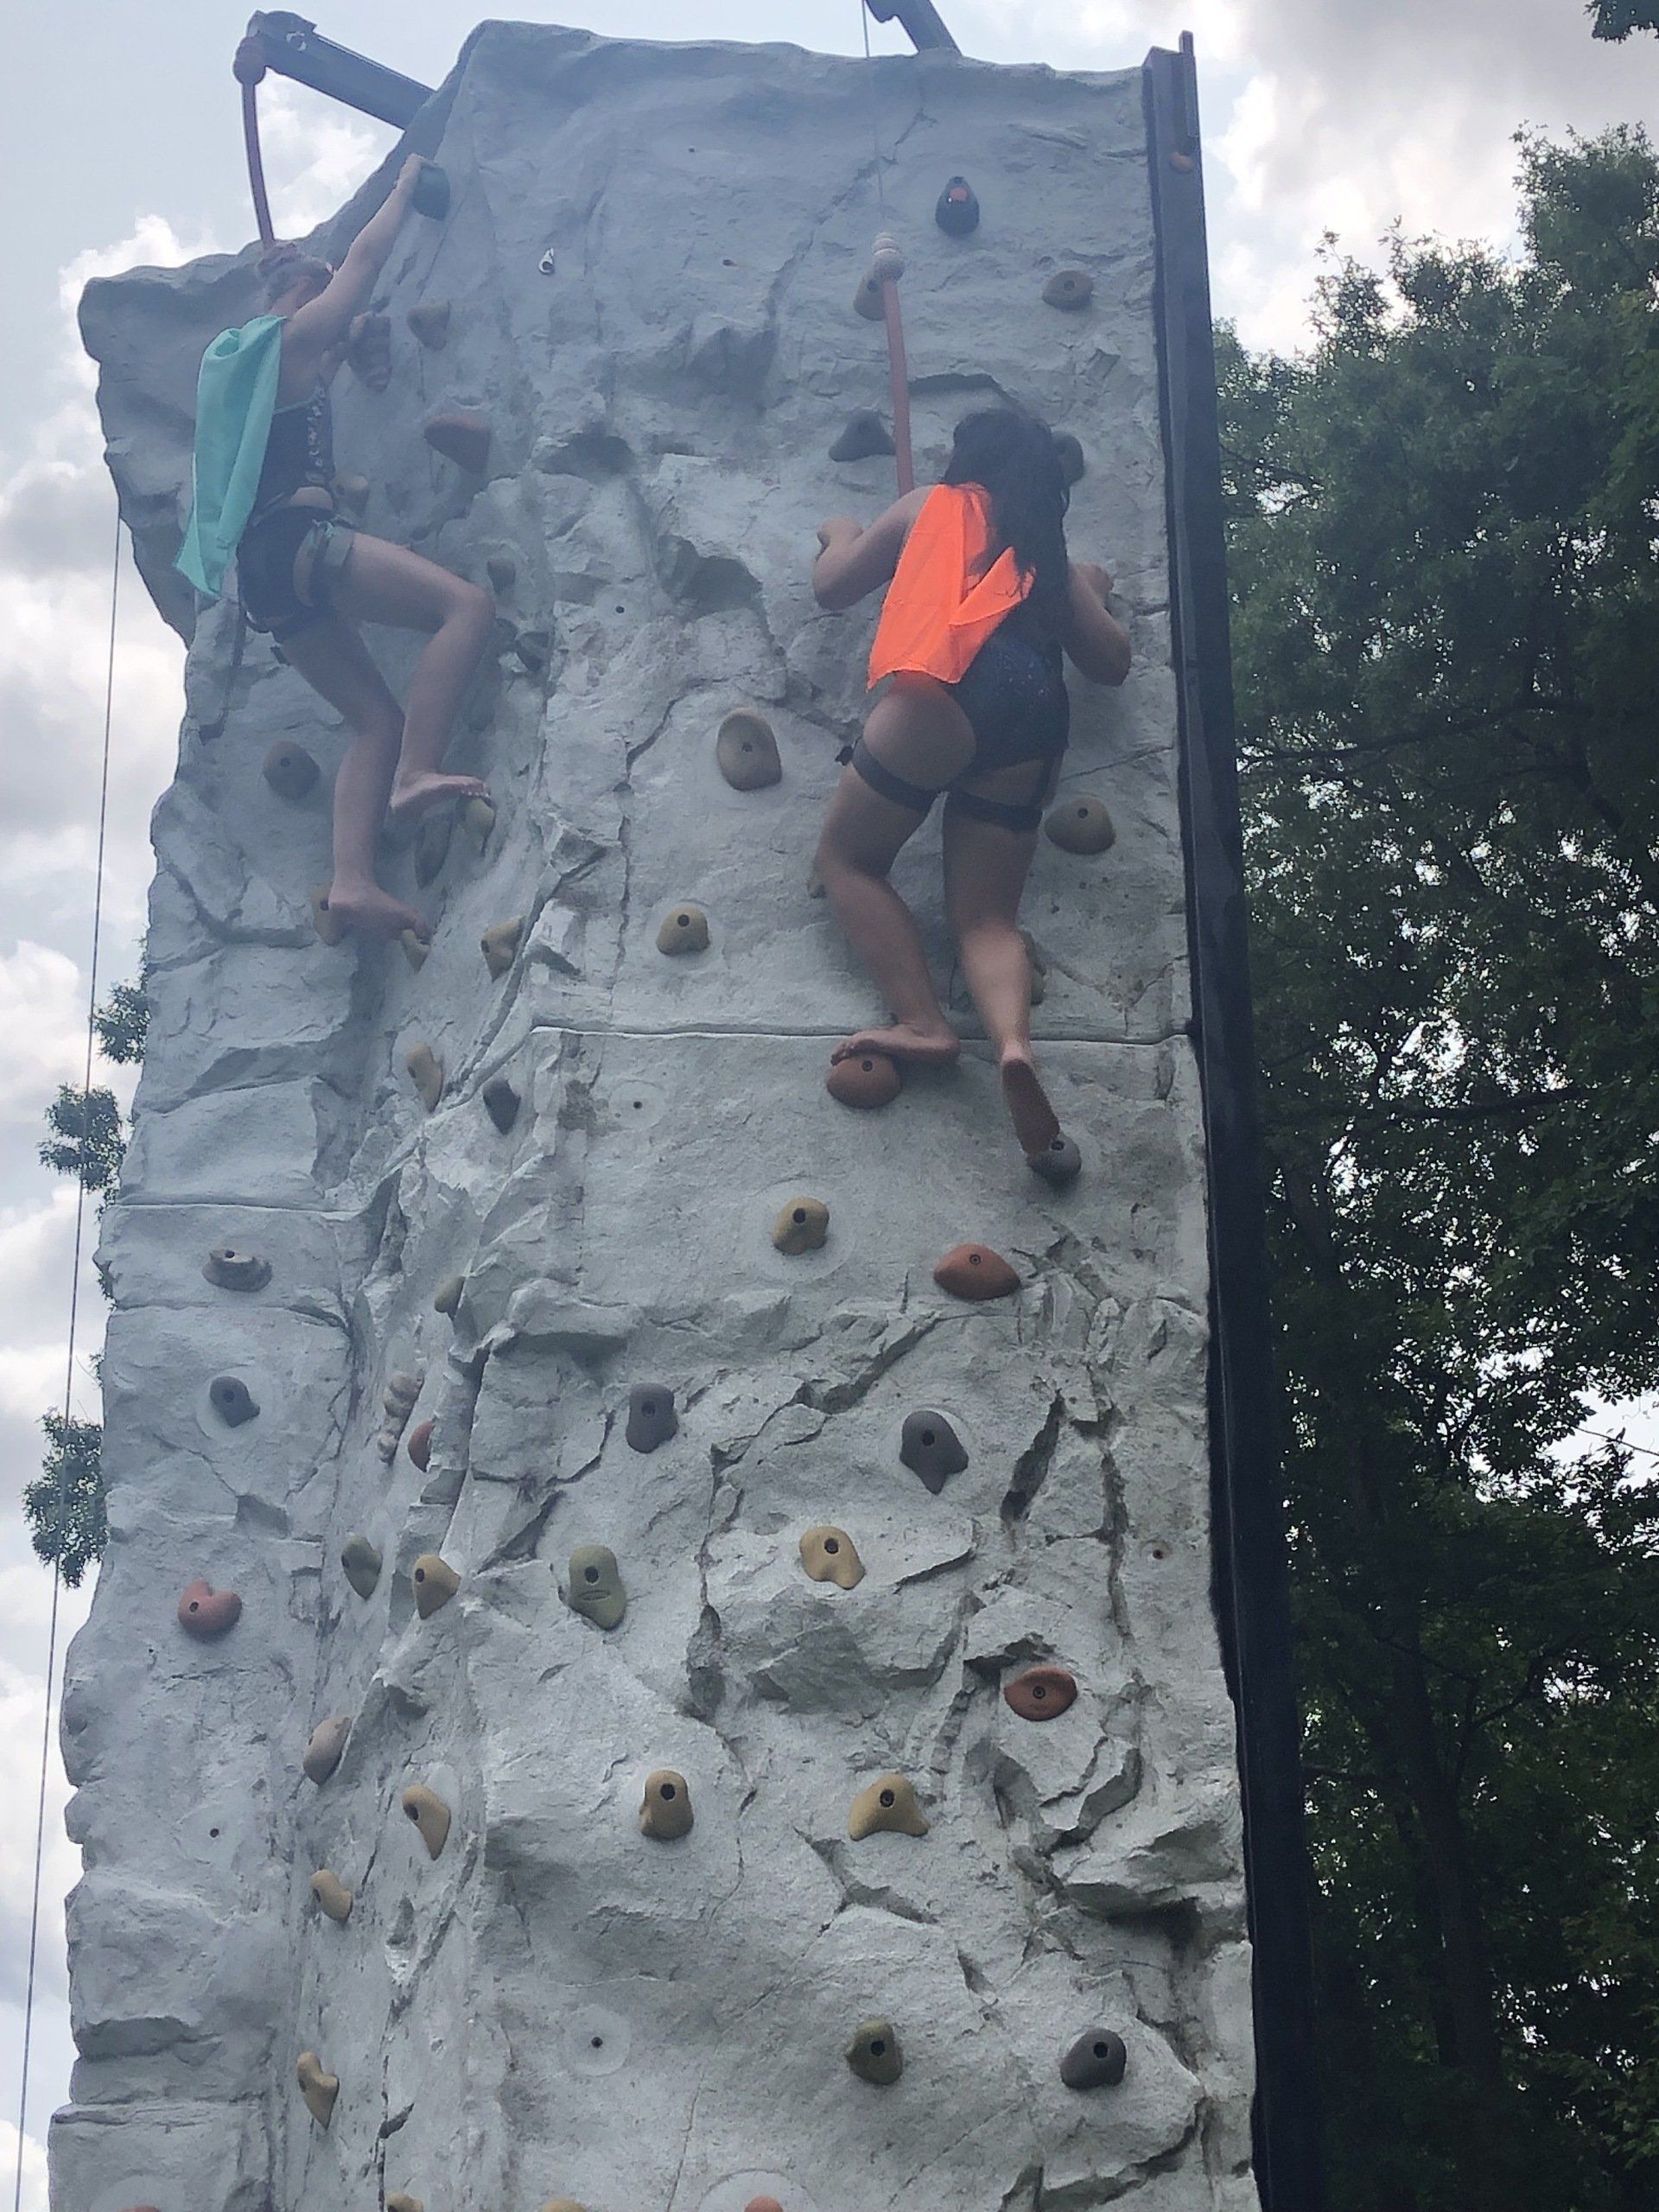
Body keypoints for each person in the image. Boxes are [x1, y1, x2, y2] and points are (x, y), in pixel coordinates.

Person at [177, 156, 494, 940]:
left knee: (370, 722)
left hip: (268, 580)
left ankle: (351, 881)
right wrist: (403, 186)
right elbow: (366, 261)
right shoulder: (289, 338)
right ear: (303, 297)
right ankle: (418, 771)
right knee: (466, 606)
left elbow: (341, 337)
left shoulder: (254, 370)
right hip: (301, 538)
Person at [811, 408, 1131, 1164]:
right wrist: (1096, 589)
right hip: (1032, 705)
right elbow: (1111, 662)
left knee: (847, 860)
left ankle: (924, 1022)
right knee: (988, 918)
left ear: (968, 457)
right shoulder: (1045, 550)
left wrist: (837, 533)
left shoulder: (929, 505)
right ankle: (1014, 1045)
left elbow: (833, 588)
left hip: (944, 690)